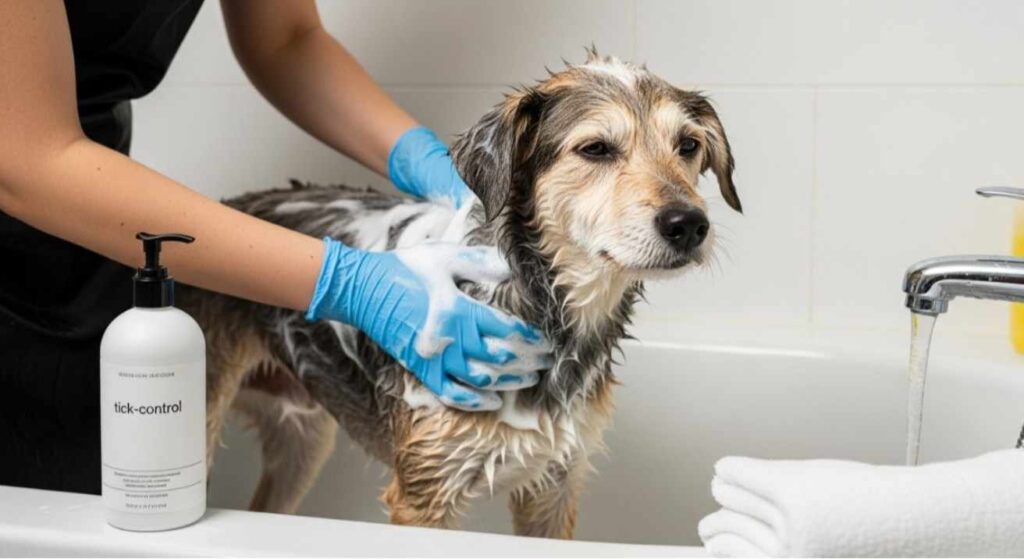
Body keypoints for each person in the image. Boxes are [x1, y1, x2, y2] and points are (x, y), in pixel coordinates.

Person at [0, 0, 550, 495]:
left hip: (92, 213)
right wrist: (347, 283)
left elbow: (286, 39)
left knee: (126, 494)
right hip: (37, 183)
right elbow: (28, 160)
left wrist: (423, 159)